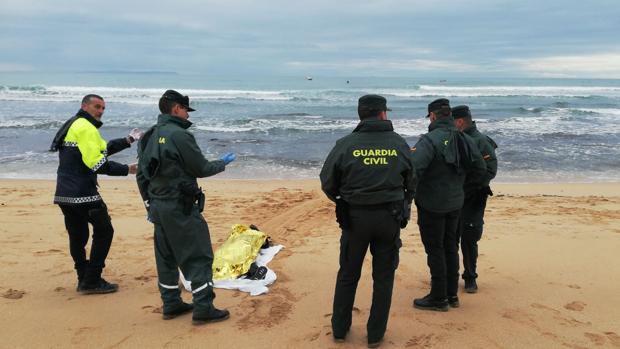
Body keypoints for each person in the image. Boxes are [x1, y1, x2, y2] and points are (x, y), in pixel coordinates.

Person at [320, 95, 416, 348]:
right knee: (383, 278)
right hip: (388, 219)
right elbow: (412, 181)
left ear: (360, 114)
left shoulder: (346, 144)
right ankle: (375, 335)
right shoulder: (398, 144)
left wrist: (344, 199)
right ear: (383, 114)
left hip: (356, 219)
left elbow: (327, 182)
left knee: (348, 275)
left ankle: (340, 330)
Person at [136, 90, 236, 324]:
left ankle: (171, 303)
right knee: (198, 254)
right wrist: (222, 163)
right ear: (176, 109)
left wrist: (149, 203)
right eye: (185, 110)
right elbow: (201, 168)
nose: (187, 115)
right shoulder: (180, 135)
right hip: (179, 205)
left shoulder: (149, 135)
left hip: (158, 205)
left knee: (166, 256)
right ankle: (204, 308)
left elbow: (141, 175)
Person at [51, 94, 142, 294]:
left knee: (78, 236)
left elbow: (100, 151)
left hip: (64, 193)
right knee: (105, 231)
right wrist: (127, 169)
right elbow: (98, 164)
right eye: (96, 106)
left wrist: (128, 140)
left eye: (103, 108)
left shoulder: (74, 124)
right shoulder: (86, 127)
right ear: (84, 106)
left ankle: (83, 277)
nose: (100, 111)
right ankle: (92, 280)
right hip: (83, 193)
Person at [410, 98, 486, 311]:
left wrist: (412, 193)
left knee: (435, 249)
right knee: (451, 246)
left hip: (432, 204)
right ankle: (452, 295)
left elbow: (413, 170)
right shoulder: (465, 139)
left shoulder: (429, 140)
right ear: (450, 117)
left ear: (432, 116)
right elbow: (480, 170)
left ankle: (438, 297)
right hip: (455, 203)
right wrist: (461, 187)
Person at [452, 105, 498, 293]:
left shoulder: (481, 141)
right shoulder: (454, 139)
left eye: (452, 121)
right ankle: (450, 276)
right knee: (451, 237)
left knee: (469, 238)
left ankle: (470, 277)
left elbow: (490, 170)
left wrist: (467, 187)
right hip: (455, 197)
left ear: (460, 121)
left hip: (474, 197)